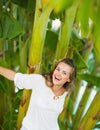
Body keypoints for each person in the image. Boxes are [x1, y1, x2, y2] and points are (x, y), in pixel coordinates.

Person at [0, 58, 76, 130]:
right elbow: (16, 77)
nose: (58, 74)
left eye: (64, 73)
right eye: (58, 69)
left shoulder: (65, 93)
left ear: (69, 79)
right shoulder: (39, 81)